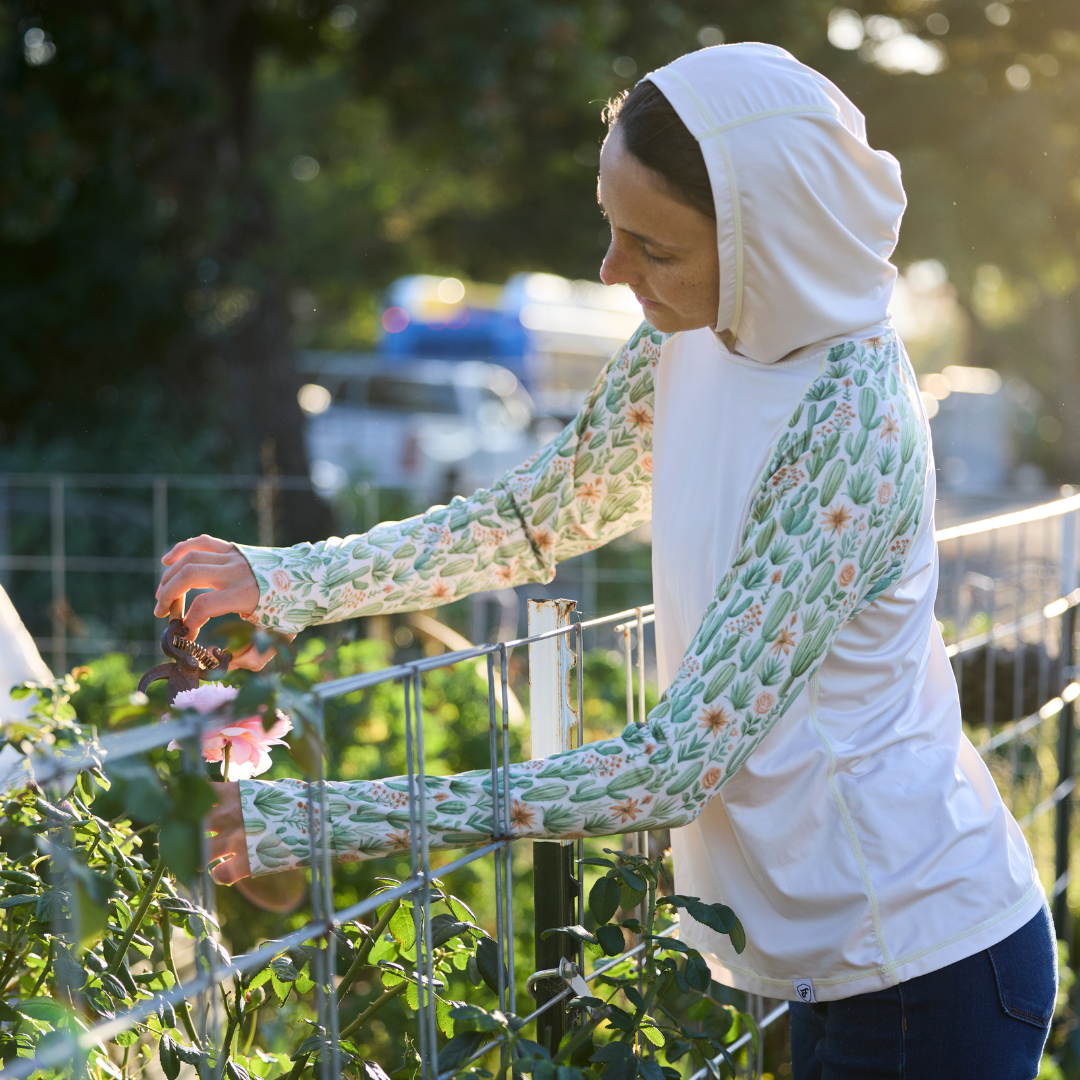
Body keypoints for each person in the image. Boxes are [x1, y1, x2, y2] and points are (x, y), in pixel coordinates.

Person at [154, 43, 1056, 1080]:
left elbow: (669, 768)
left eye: (651, 247)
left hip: (918, 963)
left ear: (765, 244)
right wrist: (283, 582)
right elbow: (532, 520)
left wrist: (319, 819)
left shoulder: (847, 424)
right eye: (609, 226)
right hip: (834, 955)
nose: (610, 272)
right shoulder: (695, 332)